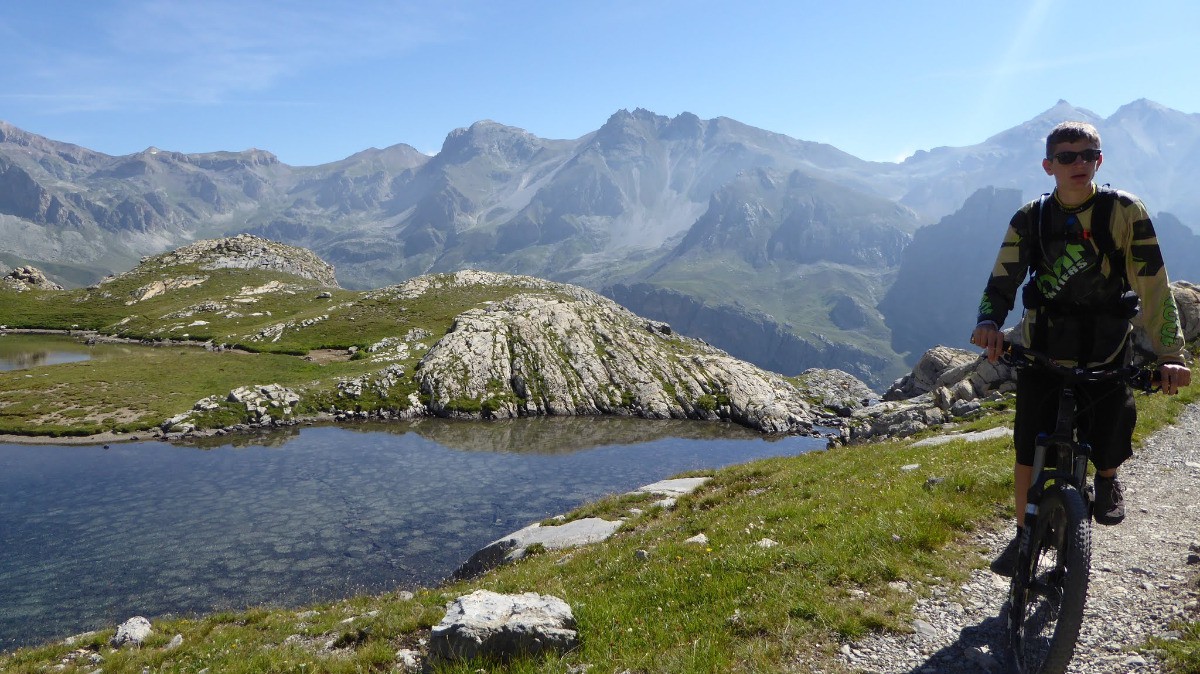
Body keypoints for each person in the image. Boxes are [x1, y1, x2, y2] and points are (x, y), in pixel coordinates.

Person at [971, 120, 1191, 576]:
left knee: (1112, 426)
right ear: (1048, 165)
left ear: (1099, 160)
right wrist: (989, 322)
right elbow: (1003, 276)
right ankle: (1026, 535)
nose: (1079, 164)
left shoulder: (1126, 212)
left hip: (1107, 346)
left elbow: (1153, 283)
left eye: (1087, 154)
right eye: (1067, 156)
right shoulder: (1030, 218)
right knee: (1028, 447)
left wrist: (1171, 354)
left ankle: (1107, 478)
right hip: (1043, 348)